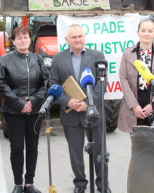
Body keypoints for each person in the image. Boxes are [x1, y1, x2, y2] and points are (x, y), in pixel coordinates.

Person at [49, 24, 109, 193]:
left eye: (80, 36)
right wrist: (66, 101)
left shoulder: (97, 56)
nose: (77, 40)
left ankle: (102, 183)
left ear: (84, 37)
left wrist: (89, 103)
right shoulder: (58, 59)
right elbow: (53, 83)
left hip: (94, 111)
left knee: (100, 151)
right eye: (73, 37)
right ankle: (80, 183)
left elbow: (102, 84)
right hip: (71, 114)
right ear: (67, 40)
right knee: (75, 152)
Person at [0, 26, 49, 193]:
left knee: (32, 147)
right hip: (13, 111)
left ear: (30, 39)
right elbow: (1, 83)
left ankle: (29, 183)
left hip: (35, 110)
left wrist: (32, 101)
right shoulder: (5, 60)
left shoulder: (38, 59)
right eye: (19, 38)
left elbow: (45, 83)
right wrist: (19, 103)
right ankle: (18, 183)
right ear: (13, 41)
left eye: (25, 37)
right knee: (17, 147)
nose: (23, 40)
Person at [118, 19, 154, 133]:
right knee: (137, 141)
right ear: (138, 32)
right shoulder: (128, 53)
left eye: (150, 31)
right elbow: (123, 79)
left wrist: (153, 104)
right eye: (143, 30)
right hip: (135, 99)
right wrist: (134, 106)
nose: (146, 34)